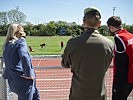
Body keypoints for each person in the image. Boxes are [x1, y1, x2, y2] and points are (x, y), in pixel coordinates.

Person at [61, 7, 113, 100]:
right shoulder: (108, 43)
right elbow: (106, 63)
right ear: (99, 24)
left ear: (83, 22)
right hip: (99, 94)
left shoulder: (73, 42)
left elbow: (65, 63)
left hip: (78, 94)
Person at [2, 23, 40, 100]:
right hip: (23, 80)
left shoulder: (7, 45)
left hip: (12, 80)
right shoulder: (20, 42)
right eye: (22, 32)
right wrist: (28, 74)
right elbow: (24, 56)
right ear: (18, 33)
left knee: (36, 96)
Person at [107, 16, 133, 100]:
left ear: (111, 27)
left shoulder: (119, 37)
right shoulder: (130, 35)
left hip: (122, 78)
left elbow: (120, 61)